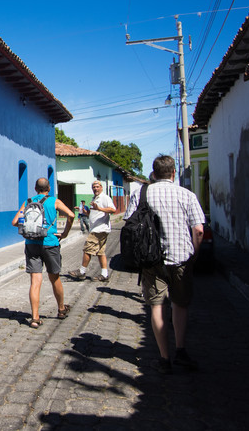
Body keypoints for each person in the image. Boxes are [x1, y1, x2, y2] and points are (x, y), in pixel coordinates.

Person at [124, 155, 205, 374]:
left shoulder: (141, 193)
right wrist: (195, 254)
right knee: (180, 304)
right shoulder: (186, 195)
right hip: (181, 257)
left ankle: (163, 358)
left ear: (154, 172)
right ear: (173, 172)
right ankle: (181, 350)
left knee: (157, 306)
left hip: (151, 259)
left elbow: (129, 224)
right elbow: (198, 230)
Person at [12, 178, 75, 326]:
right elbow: (71, 215)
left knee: (35, 281)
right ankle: (61, 309)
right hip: (50, 243)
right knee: (54, 278)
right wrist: (65, 233)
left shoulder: (28, 202)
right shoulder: (55, 201)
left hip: (31, 244)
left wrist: (30, 230)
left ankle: (35, 318)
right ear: (49, 188)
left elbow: (15, 222)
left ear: (35, 188)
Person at [68, 180, 117, 282]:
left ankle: (82, 272)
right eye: (94, 187)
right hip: (96, 228)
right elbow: (92, 213)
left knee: (87, 249)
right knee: (100, 252)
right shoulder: (94, 199)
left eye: (97, 187)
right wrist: (85, 212)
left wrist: (99, 208)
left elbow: (113, 210)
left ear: (101, 187)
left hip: (99, 229)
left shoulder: (104, 198)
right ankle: (104, 274)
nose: (95, 189)